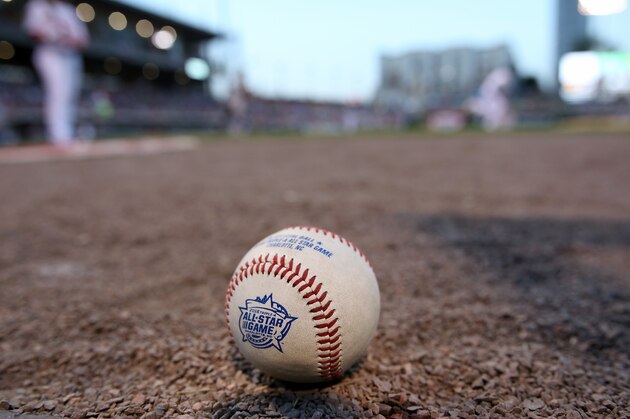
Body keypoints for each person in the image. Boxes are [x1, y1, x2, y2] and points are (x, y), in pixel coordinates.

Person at [23, 0, 89, 145]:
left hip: (71, 55)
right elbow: (32, 31)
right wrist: (53, 36)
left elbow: (83, 39)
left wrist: (71, 40)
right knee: (58, 92)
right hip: (50, 52)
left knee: (71, 94)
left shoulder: (68, 9)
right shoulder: (38, 5)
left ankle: (68, 134)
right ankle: (59, 136)